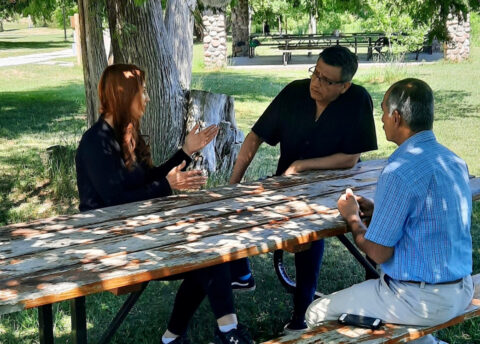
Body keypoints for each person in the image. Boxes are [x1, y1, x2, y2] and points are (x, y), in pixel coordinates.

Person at [75, 64, 254, 344]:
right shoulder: (96, 143)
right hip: (109, 241)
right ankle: (222, 333)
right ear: (124, 96)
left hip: (135, 229)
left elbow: (148, 180)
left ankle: (199, 335)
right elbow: (115, 201)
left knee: (207, 251)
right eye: (142, 92)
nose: (146, 98)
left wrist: (185, 151)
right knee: (207, 255)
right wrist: (168, 185)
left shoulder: (126, 134)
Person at [306, 78, 473, 344]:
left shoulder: (399, 170)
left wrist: (351, 217)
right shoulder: (454, 161)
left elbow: (378, 252)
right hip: (461, 288)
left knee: (316, 313)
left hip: (417, 299)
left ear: (396, 117)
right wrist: (380, 210)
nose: (381, 119)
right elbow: (428, 218)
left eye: (383, 111)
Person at [228, 46, 377, 332]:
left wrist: (303, 165)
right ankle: (242, 273)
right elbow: (255, 136)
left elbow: (351, 158)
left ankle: (302, 316)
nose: (316, 83)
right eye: (315, 73)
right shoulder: (295, 92)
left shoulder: (358, 99)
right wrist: (233, 185)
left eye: (326, 80)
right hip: (288, 186)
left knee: (315, 235)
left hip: (336, 187)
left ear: (344, 86)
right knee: (253, 217)